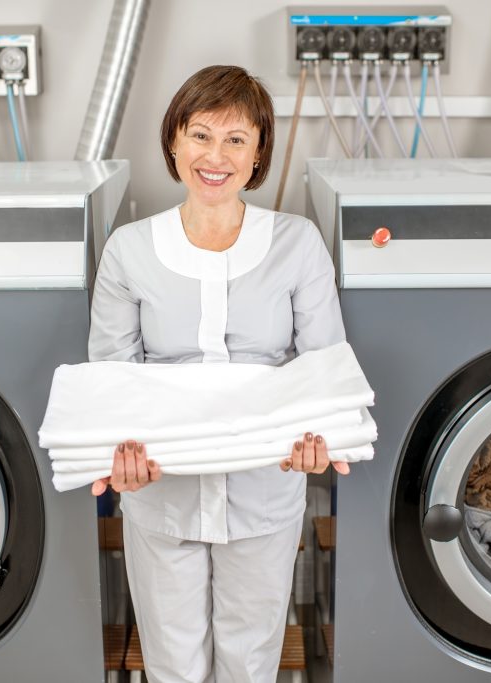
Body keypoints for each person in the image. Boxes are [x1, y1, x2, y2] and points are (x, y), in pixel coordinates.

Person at [88, 64, 348, 683]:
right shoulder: (129, 250)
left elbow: (324, 369)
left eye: (236, 139)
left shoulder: (298, 244)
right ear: (173, 141)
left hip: (264, 494)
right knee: (172, 666)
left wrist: (321, 438)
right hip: (161, 493)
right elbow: (112, 379)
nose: (216, 156)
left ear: (258, 153)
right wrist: (116, 453)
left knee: (250, 663)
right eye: (201, 135)